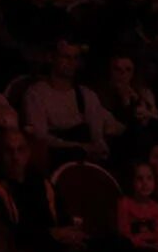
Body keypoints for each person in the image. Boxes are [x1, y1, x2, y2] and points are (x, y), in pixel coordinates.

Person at [24, 37, 119, 165]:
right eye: (66, 57)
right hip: (58, 157)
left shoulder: (85, 94)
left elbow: (98, 126)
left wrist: (99, 144)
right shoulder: (36, 93)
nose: (71, 63)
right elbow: (40, 136)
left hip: (87, 157)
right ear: (51, 58)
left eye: (75, 58)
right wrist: (77, 146)